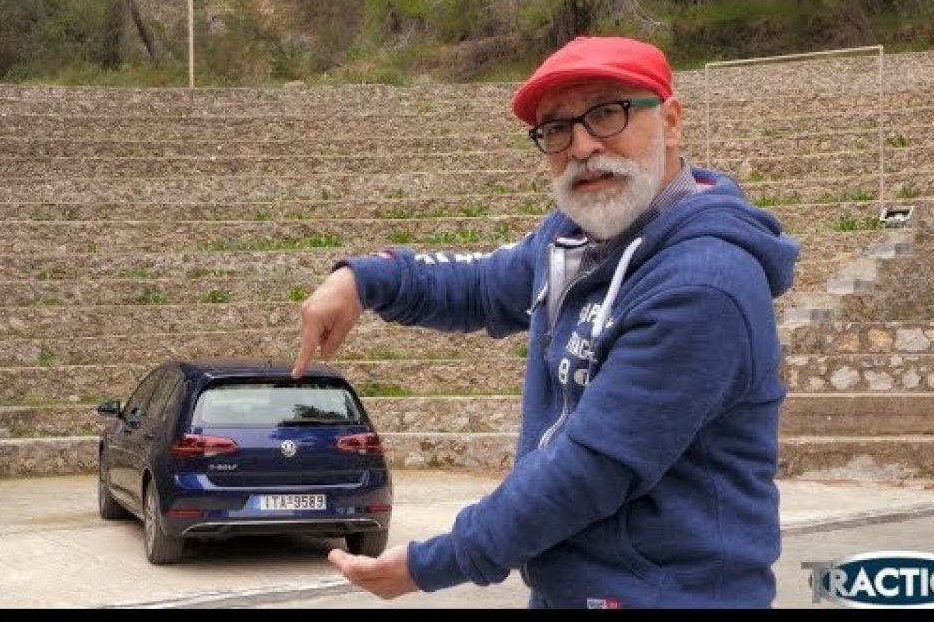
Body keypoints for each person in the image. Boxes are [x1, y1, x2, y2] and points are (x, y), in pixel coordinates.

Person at [290, 35, 799, 609]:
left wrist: (437, 561)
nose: (581, 145)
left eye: (606, 113)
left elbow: (590, 469)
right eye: (556, 128)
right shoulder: (572, 238)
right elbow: (482, 285)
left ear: (671, 121)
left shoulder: (703, 284)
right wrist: (366, 278)